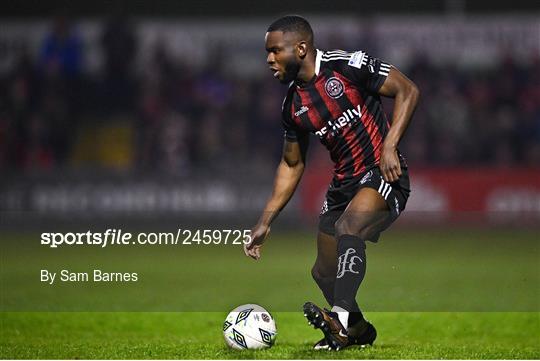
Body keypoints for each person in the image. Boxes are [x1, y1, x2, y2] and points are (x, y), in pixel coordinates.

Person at [244, 15, 419, 350]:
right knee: (324, 273)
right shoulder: (292, 106)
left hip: (384, 174)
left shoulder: (347, 67)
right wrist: (265, 221)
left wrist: (390, 145)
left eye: (274, 51)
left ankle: (336, 321)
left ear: (301, 48)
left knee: (349, 227)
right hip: (343, 184)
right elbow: (292, 163)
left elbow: (407, 89)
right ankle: (358, 330)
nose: (268, 60)